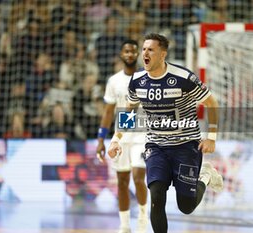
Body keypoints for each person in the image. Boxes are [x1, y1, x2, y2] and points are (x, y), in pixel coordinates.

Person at [108, 33, 224, 233]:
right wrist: (116, 139)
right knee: (157, 195)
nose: (145, 53)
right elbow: (129, 110)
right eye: (144, 49)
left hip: (186, 146)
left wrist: (211, 137)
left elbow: (212, 103)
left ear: (162, 54)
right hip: (156, 146)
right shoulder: (137, 80)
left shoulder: (184, 78)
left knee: (186, 207)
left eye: (150, 49)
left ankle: (205, 175)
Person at [96, 40, 148, 233]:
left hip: (142, 135)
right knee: (122, 180)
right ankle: (125, 224)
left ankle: (143, 217)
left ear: (139, 55)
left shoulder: (146, 78)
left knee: (137, 175)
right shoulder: (114, 81)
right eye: (126, 51)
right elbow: (108, 112)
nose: (129, 55)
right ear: (121, 54)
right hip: (121, 135)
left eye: (133, 52)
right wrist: (101, 139)